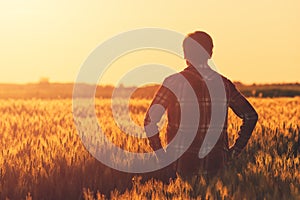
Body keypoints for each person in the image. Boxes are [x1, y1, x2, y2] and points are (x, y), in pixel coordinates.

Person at [144, 31, 258, 182]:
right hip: (216, 166)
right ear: (210, 53)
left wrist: (162, 156)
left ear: (185, 54)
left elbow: (150, 121)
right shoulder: (224, 84)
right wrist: (234, 152)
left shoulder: (173, 83)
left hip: (180, 166)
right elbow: (251, 116)